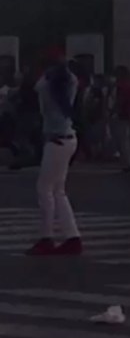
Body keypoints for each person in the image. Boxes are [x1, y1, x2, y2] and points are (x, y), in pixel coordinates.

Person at [28, 52, 82, 256]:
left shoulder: (48, 83)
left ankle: (47, 237)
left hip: (55, 139)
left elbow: (35, 86)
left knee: (45, 189)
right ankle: (72, 236)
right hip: (67, 138)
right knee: (58, 190)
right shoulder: (69, 81)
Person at [112, 66, 130, 173]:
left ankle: (128, 163)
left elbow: (120, 100)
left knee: (123, 140)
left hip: (124, 114)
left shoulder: (121, 86)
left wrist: (114, 111)